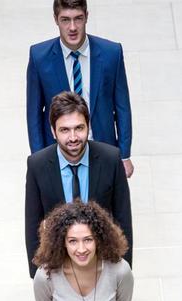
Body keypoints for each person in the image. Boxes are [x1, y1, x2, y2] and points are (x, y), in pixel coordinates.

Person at [25, 91, 133, 278]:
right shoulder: (37, 164)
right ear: (53, 131)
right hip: (58, 269)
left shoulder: (110, 159)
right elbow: (32, 223)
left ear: (88, 126)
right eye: (65, 130)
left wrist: (124, 270)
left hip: (103, 265)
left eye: (79, 128)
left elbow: (123, 219)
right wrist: (38, 276)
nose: (73, 137)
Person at [26, 0, 133, 177]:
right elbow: (34, 115)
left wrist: (124, 155)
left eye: (78, 18)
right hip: (58, 153)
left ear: (87, 17)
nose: (73, 27)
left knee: (103, 205)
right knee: (62, 205)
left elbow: (122, 107)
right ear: (55, 19)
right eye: (65, 20)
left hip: (102, 149)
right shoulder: (39, 57)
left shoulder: (111, 53)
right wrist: (39, 159)